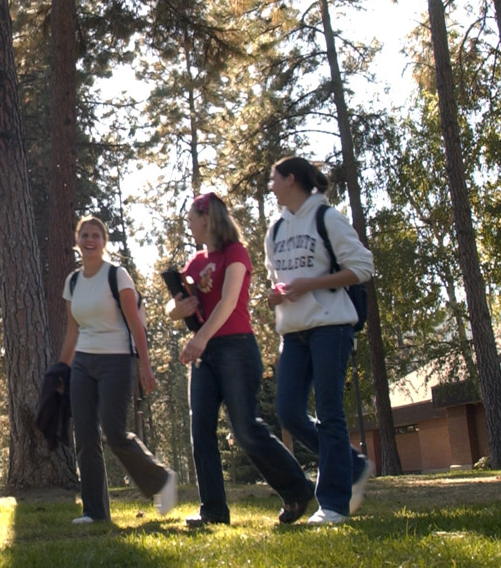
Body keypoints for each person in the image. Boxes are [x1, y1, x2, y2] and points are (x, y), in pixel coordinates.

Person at [168, 192, 316, 527]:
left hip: (236, 347)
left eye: (192, 217)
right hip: (206, 355)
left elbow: (228, 301)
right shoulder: (195, 262)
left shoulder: (235, 253)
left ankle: (298, 489)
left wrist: (200, 338)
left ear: (207, 217)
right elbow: (173, 305)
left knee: (246, 430)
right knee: (201, 431)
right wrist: (179, 309)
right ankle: (213, 511)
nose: (188, 224)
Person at [263, 156, 377, 526]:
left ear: (291, 179)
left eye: (274, 179)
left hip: (331, 326)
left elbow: (362, 267)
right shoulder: (275, 229)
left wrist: (310, 284)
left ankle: (333, 505)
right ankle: (353, 464)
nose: (271, 185)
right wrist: (277, 294)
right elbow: (278, 276)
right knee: (289, 411)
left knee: (330, 412)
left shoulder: (327, 218)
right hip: (293, 333)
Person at [60, 215, 178, 524]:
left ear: (104, 241)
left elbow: (136, 324)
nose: (90, 239)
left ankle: (161, 480)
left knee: (114, 432)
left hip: (117, 359)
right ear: (77, 240)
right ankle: (94, 512)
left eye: (96, 235)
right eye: (84, 234)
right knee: (85, 437)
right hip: (83, 363)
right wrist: (62, 369)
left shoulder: (117, 275)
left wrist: (145, 366)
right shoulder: (72, 282)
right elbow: (72, 332)